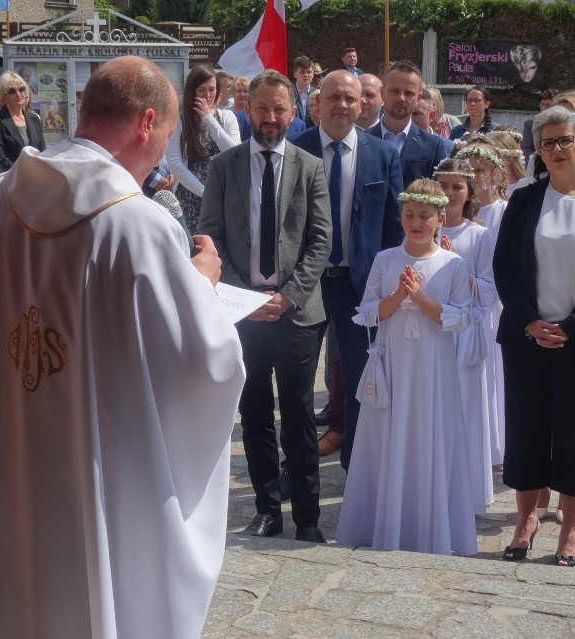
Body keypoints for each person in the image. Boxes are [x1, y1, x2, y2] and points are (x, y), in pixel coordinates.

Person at [0, 56, 245, 639]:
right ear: (144, 123)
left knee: (0, 591)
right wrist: (204, 285)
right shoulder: (137, 223)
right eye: (163, 138)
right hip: (91, 474)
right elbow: (198, 365)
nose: (161, 154)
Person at [198, 70, 332, 544]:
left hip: (297, 314)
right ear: (247, 109)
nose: (270, 118)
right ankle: (267, 510)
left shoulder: (309, 166)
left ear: (292, 112)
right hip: (243, 313)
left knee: (297, 417)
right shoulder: (225, 167)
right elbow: (210, 236)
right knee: (254, 414)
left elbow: (321, 240)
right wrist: (248, 299)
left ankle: (309, 519)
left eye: (279, 109)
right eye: (262, 109)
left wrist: (288, 295)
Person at [494, 106, 575, 567]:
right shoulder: (524, 199)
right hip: (527, 337)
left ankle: (569, 530)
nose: (554, 150)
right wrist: (529, 321)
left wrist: (570, 328)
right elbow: (504, 268)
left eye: (564, 141)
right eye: (545, 142)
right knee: (527, 430)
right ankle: (525, 521)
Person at [336, 178, 476, 555]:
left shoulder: (453, 264)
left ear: (439, 218)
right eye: (410, 215)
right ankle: (385, 524)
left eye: (425, 216)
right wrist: (398, 295)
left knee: (431, 435)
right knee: (388, 437)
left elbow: (461, 317)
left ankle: (431, 528)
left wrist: (420, 298)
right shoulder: (386, 260)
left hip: (434, 368)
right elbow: (367, 314)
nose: (416, 223)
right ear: (400, 216)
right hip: (394, 364)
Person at [291, 70, 403, 472]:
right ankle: (299, 466)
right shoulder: (295, 149)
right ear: (317, 103)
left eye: (350, 99)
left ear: (363, 105)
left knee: (360, 379)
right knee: (298, 382)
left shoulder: (383, 155)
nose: (342, 106)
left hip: (361, 287)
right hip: (308, 284)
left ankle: (356, 466)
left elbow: (393, 225)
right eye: (334, 97)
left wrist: (388, 287)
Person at [436, 159, 496, 514]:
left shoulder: (479, 235)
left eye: (456, 186)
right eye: (442, 186)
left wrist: (454, 262)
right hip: (433, 331)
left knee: (465, 411)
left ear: (469, 191)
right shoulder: (421, 229)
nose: (449, 193)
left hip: (465, 334)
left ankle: (467, 493)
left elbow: (489, 289)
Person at [454, 138, 507, 466]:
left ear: (495, 173)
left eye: (481, 171)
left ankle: (492, 444)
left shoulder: (502, 211)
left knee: (490, 376)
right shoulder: (460, 213)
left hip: (490, 303)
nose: (475, 177)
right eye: (469, 172)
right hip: (459, 304)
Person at [166, 65, 240, 235]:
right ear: (192, 91)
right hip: (191, 193)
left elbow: (235, 154)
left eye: (212, 90)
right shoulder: (180, 121)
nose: (207, 96)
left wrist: (209, 119)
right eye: (201, 90)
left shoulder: (227, 117)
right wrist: (204, 192)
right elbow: (175, 163)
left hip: (224, 192)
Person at [367, 61, 448, 189]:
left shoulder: (433, 147)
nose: (401, 98)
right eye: (394, 91)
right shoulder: (362, 140)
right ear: (382, 93)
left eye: (409, 93)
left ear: (418, 98)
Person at [0, 71, 46, 172]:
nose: (18, 94)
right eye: (11, 91)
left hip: (36, 178)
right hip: (10, 179)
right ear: (3, 95)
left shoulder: (34, 119)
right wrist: (23, 172)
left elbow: (42, 151)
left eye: (21, 89)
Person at [522, 89, 557, 162]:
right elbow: (526, 150)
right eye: (542, 104)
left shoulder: (560, 125)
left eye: (547, 105)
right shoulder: (530, 125)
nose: (543, 108)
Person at [293, 55, 315, 127]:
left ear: (313, 74)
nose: (306, 75)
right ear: (295, 74)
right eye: (302, 72)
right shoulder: (288, 93)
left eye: (309, 72)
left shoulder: (318, 94)